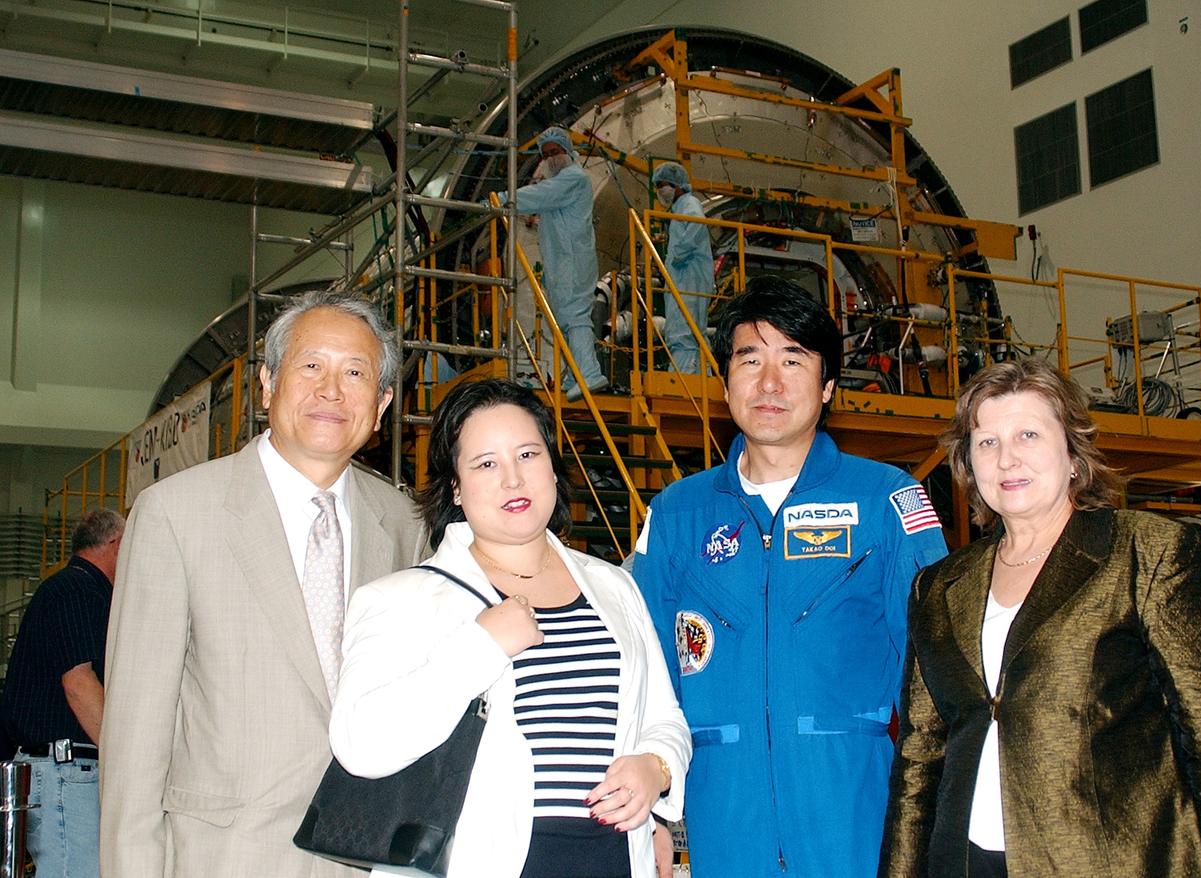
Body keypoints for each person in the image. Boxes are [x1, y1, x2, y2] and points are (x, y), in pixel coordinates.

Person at [879, 357, 1201, 877]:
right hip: (966, 861)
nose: (1007, 459)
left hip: (1112, 860)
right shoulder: (939, 585)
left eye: (1029, 435)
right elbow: (920, 754)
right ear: (968, 464)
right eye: (987, 442)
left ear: (1074, 455)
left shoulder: (1150, 552)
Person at [99, 291, 424, 878]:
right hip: (223, 858)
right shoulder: (176, 514)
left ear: (381, 405)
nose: (331, 389)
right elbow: (135, 737)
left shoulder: (403, 525)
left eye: (354, 373)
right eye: (310, 366)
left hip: (364, 860)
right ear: (268, 384)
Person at [632, 277, 948, 877]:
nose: (769, 383)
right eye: (750, 360)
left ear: (828, 385)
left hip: (858, 822)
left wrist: (934, 816)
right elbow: (644, 673)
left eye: (793, 360)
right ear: (725, 382)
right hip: (721, 828)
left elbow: (937, 671)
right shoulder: (678, 514)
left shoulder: (886, 501)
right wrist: (655, 820)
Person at [330, 378, 690, 878]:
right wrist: (481, 646)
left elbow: (665, 717)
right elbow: (360, 743)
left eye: (527, 455)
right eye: (485, 464)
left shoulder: (614, 588)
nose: (513, 479)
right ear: (454, 487)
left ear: (553, 469)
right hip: (482, 863)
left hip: (609, 857)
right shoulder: (400, 600)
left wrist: (657, 767)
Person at [0, 508, 124, 878]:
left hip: (61, 769)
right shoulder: (78, 589)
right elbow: (79, 683)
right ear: (118, 545)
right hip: (66, 770)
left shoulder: (69, 588)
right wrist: (124, 761)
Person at [499, 127, 608, 401]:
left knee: (574, 316)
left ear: (568, 152)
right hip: (562, 265)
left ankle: (589, 372)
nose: (551, 158)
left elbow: (540, 196)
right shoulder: (560, 183)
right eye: (546, 155)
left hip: (573, 263)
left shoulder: (573, 179)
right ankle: (575, 373)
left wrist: (503, 199)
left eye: (556, 152)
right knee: (564, 319)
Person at [652, 162, 714, 373]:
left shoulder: (689, 203)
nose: (660, 191)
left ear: (677, 185)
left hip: (689, 279)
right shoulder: (679, 209)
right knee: (694, 330)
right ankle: (704, 373)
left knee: (682, 329)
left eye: (663, 185)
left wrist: (679, 253)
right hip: (686, 278)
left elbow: (697, 223)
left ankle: (682, 376)